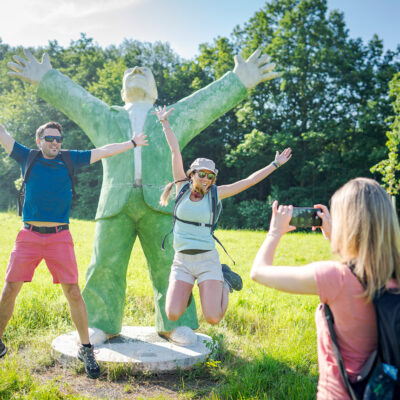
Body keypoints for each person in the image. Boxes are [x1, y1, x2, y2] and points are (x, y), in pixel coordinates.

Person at [8, 48, 281, 346]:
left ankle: (175, 324)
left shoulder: (171, 117)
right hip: (114, 205)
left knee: (169, 264)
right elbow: (77, 100)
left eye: (144, 72)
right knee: (104, 264)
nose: (137, 70)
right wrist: (46, 78)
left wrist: (239, 79)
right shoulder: (105, 116)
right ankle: (100, 322)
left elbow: (204, 104)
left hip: (161, 204)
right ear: (123, 91)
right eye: (131, 73)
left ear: (154, 91)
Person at [0, 121, 147, 379]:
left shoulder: (70, 159)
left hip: (60, 237)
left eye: (58, 139)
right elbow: (3, 135)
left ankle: (86, 347)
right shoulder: (27, 157)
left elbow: (102, 151)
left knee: (73, 292)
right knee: (10, 288)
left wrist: (132, 143)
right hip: (29, 235)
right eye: (49, 138)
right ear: (39, 140)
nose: (55, 143)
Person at [250, 177, 400, 399]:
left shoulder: (335, 278)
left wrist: (274, 232)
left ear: (349, 223)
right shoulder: (392, 275)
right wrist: (334, 237)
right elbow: (361, 268)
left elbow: (258, 272)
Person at [153, 105, 292, 326]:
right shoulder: (181, 188)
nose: (206, 179)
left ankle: (224, 281)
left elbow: (248, 182)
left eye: (210, 175)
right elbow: (175, 152)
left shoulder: (216, 194)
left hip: (207, 260)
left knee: (213, 318)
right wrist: (165, 123)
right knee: (172, 314)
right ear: (192, 174)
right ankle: (188, 287)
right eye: (202, 174)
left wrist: (274, 164)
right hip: (182, 261)